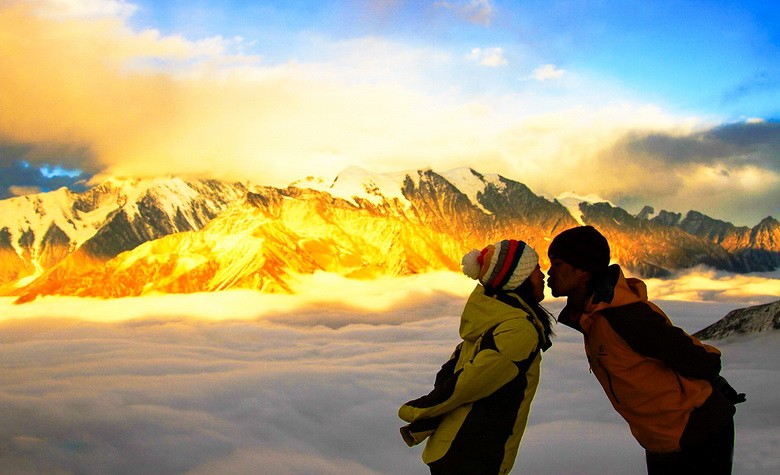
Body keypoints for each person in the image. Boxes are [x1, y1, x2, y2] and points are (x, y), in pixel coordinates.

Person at [546, 225, 745, 474]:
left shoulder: (627, 317)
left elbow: (701, 361)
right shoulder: (593, 317)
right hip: (664, 439)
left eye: (557, 264)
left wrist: (715, 385)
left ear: (583, 270)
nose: (549, 272)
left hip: (697, 434)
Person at [398, 239, 554, 475]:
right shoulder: (517, 330)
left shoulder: (491, 319)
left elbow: (451, 374)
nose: (542, 275)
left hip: (453, 448)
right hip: (471, 453)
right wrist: (415, 411)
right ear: (518, 279)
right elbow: (466, 385)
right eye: (536, 269)